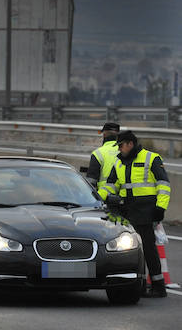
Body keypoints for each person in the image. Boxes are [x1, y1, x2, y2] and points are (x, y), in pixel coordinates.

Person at [99, 130, 172, 298]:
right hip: (128, 212)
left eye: (121, 146)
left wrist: (160, 208)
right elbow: (110, 186)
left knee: (148, 249)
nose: (119, 149)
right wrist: (95, 199)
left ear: (130, 144)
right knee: (130, 250)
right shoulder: (119, 162)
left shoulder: (151, 158)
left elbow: (163, 184)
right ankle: (138, 285)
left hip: (147, 211)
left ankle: (159, 286)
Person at [86, 122, 120, 191]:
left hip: (103, 195)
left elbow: (91, 181)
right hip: (123, 194)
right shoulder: (125, 151)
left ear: (104, 135)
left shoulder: (98, 153)